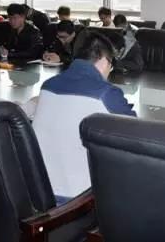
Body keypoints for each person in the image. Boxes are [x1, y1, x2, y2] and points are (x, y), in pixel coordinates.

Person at [33, 31, 136, 202]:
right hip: (78, 199)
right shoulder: (106, 93)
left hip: (39, 191)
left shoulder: (47, 86)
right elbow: (134, 133)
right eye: (111, 66)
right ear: (104, 60)